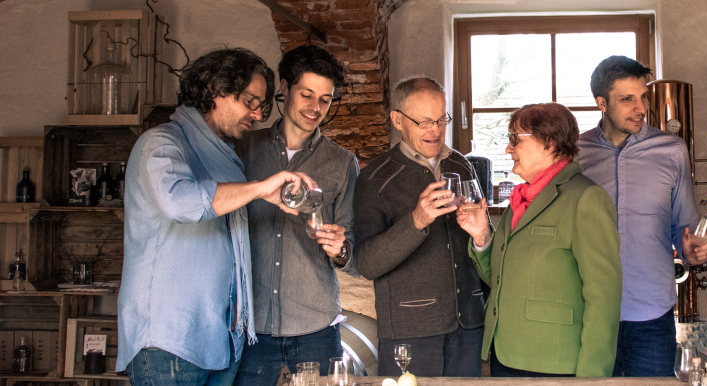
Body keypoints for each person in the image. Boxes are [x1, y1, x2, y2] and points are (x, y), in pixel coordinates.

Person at [118, 48, 316, 386]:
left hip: (221, 342)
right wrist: (259, 188)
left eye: (262, 106)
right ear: (214, 89)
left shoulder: (226, 157)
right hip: (170, 341)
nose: (257, 114)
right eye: (249, 101)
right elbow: (180, 203)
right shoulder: (161, 143)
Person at [459, 102, 622, 377]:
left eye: (515, 139)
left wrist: (593, 378)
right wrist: (482, 237)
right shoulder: (520, 200)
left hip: (556, 366)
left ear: (548, 144)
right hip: (506, 358)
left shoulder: (586, 199)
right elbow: (502, 281)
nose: (508, 149)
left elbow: (604, 298)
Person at [575, 55, 707, 377]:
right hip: (588, 309)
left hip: (651, 311)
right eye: (627, 99)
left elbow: (683, 224)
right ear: (601, 103)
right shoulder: (576, 153)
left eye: (644, 97)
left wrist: (691, 249)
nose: (641, 108)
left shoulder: (672, 150)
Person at [233, 45, 360, 385]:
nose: (315, 108)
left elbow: (352, 249)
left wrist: (341, 248)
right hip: (251, 327)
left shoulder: (343, 162)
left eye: (325, 99)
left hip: (316, 325)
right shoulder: (244, 148)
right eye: (306, 94)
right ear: (285, 89)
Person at [353, 77, 485, 377]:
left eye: (441, 118)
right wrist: (417, 220)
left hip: (469, 326)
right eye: (425, 120)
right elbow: (367, 263)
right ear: (397, 120)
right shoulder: (374, 178)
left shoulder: (462, 166)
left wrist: (482, 234)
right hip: (409, 332)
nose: (436, 130)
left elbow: (483, 242)